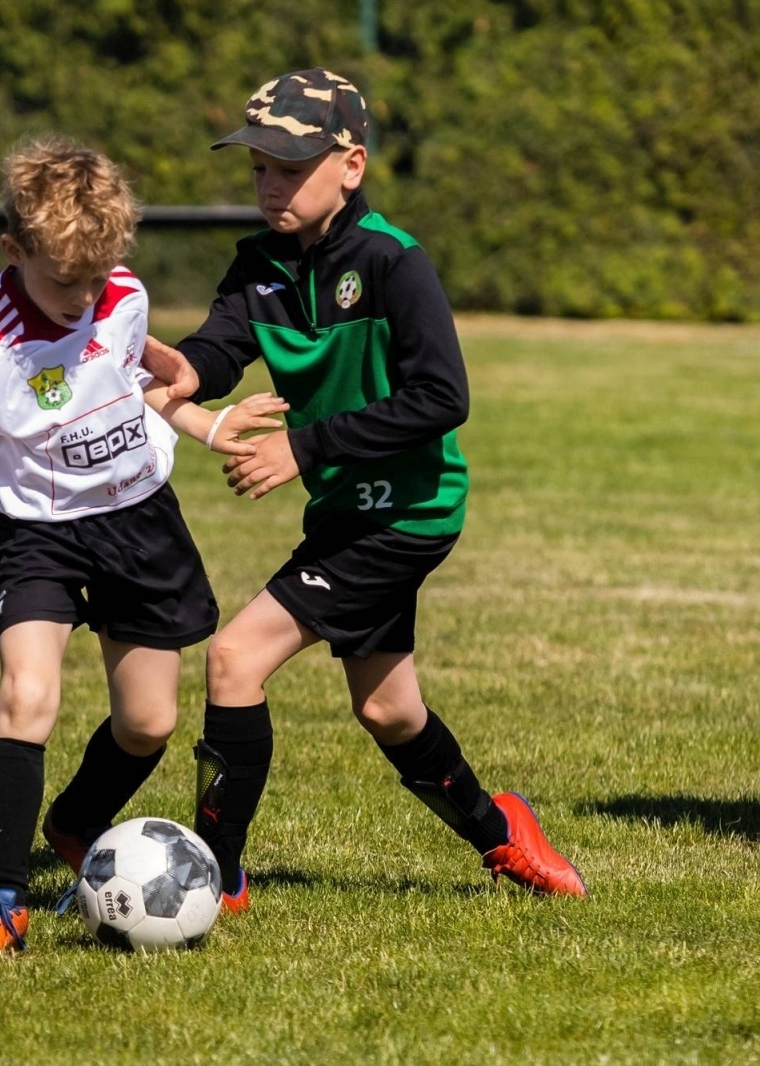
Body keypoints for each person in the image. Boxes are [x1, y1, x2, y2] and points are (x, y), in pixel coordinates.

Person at [141, 69, 587, 909]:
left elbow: (441, 397)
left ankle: (214, 875)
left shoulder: (391, 262)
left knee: (235, 660)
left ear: (351, 165)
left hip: (410, 514)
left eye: (289, 165)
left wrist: (304, 450)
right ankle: (504, 835)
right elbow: (219, 348)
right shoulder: (259, 262)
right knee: (388, 709)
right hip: (351, 514)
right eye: (258, 168)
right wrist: (179, 367)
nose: (269, 184)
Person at [0, 135, 284, 961]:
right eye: (63, 281)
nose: (82, 298)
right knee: (28, 694)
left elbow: (139, 386)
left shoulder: (122, 294)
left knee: (149, 721)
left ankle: (77, 822)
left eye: (95, 279)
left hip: (137, 521)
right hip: (36, 533)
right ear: (15, 251)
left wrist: (205, 420)